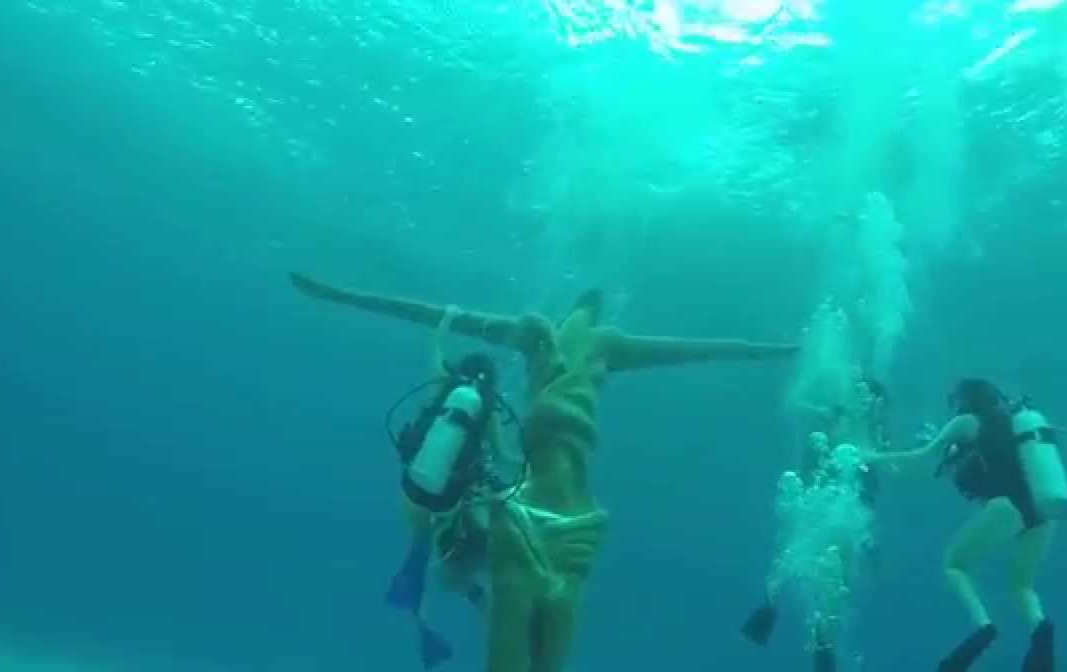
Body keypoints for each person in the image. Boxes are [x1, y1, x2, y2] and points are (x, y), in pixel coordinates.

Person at [288, 273, 799, 672]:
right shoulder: (589, 341)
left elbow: (433, 316)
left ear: (576, 306)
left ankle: (456, 575)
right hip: (569, 522)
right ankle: (460, 576)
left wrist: (341, 295)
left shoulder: (536, 335)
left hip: (538, 519)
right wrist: (771, 350)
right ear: (596, 308)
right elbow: (697, 350)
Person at [864, 378, 1067, 672]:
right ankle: (1041, 642)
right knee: (1023, 585)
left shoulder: (966, 421)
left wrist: (872, 455)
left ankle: (983, 629)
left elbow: (920, 457)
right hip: (1044, 508)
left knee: (954, 564)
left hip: (1007, 505)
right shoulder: (1018, 417)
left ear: (963, 399)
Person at [385, 306, 513, 669]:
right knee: (447, 545)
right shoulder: (486, 412)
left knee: (417, 544)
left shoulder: (445, 385)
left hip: (411, 488)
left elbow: (435, 348)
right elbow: (503, 456)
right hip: (447, 500)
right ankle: (470, 590)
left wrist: (448, 320)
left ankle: (418, 615)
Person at [742, 376, 890, 672]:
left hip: (851, 510)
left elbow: (890, 466)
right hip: (822, 499)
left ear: (877, 402)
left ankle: (824, 649)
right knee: (795, 554)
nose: (863, 400)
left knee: (835, 577)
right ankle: (769, 610)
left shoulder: (877, 432)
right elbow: (796, 404)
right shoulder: (837, 415)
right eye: (858, 393)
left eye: (868, 395)